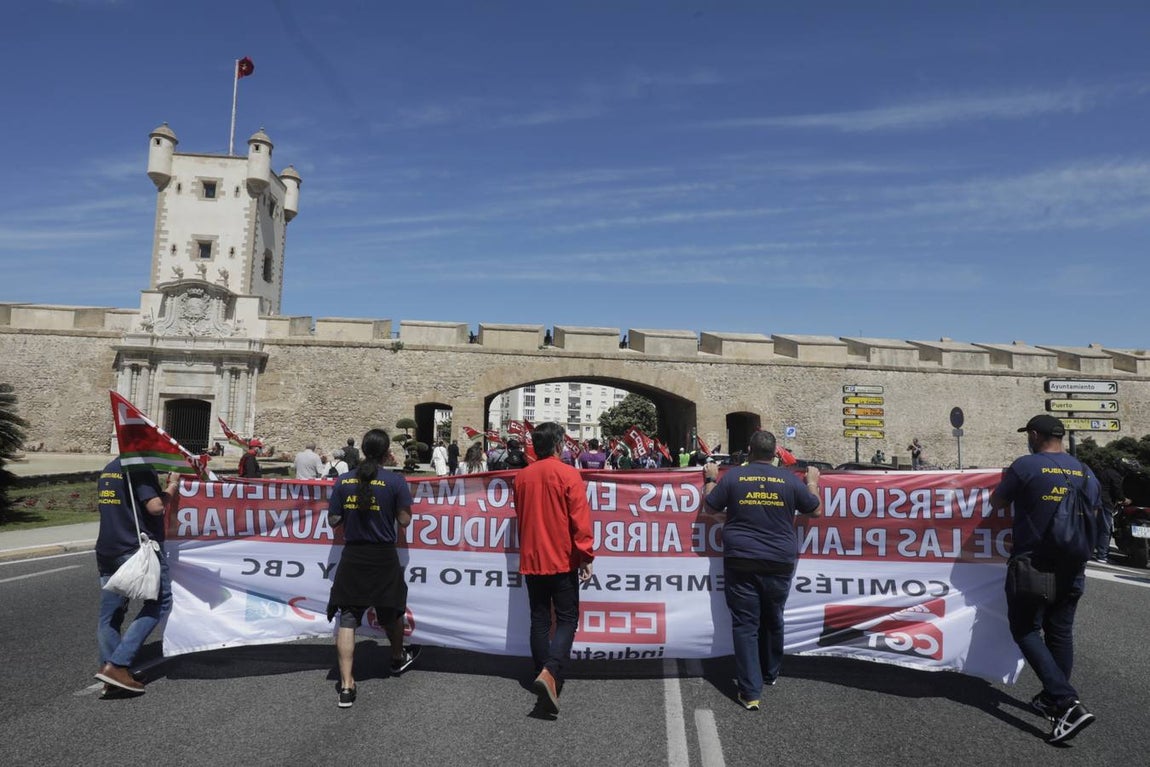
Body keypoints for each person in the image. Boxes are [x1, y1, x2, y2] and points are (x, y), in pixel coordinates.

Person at [988, 414, 1100, 744]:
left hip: (1032, 563)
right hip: (1073, 566)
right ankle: (1053, 699)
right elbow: (1093, 514)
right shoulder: (1086, 472)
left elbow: (997, 502)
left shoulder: (1025, 466)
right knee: (1060, 632)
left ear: (1035, 435)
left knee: (1024, 629)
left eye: (1029, 435)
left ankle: (1066, 703)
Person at [703, 430, 821, 711]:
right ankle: (770, 672)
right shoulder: (789, 481)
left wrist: (710, 478)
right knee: (773, 616)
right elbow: (814, 510)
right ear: (776, 453)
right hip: (779, 560)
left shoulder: (732, 477)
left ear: (748, 450)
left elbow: (710, 506)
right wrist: (813, 482)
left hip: (741, 558)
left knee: (746, 625)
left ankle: (750, 692)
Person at [326, 428, 420, 708]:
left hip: (353, 555)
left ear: (364, 449)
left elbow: (333, 520)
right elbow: (404, 521)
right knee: (391, 610)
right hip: (382, 555)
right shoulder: (395, 481)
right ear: (386, 452)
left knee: (348, 617)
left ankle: (346, 685)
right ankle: (395, 658)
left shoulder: (343, 481)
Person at [513, 422, 595, 716]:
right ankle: (550, 672)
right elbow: (580, 519)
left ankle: (542, 671)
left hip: (532, 558)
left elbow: (520, 513)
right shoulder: (568, 474)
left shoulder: (522, 477)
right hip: (561, 558)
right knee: (567, 618)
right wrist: (586, 555)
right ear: (559, 445)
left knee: (538, 620)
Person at [94, 458, 179, 695]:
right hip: (134, 549)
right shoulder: (138, 467)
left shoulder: (109, 468)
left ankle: (109, 669)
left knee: (110, 614)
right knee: (160, 602)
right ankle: (118, 665)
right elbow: (155, 507)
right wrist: (172, 486)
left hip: (107, 548)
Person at [1094, 457, 1128, 563]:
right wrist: (1124, 499)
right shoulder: (1115, 475)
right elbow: (1117, 491)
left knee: (1096, 527)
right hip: (1106, 503)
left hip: (1097, 501)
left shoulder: (1105, 472)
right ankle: (1102, 555)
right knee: (1105, 529)